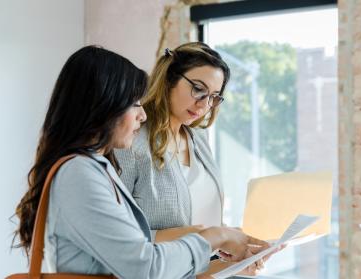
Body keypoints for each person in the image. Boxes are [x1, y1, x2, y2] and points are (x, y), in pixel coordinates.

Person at [13, 45, 268, 279]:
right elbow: (145, 267)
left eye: (214, 97)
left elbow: (142, 257)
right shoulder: (79, 173)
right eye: (134, 103)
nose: (142, 113)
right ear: (105, 106)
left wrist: (227, 261)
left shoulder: (93, 169)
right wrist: (216, 236)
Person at [114, 42, 268, 275]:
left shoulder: (198, 138)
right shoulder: (131, 140)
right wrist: (214, 236)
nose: (205, 105)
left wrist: (236, 261)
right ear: (169, 80)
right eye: (198, 89)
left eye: (214, 97)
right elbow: (118, 237)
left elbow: (201, 251)